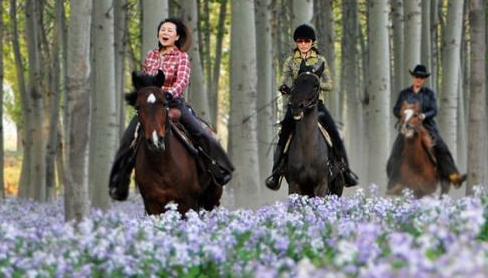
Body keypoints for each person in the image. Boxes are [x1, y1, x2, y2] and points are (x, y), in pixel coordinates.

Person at [109, 18, 234, 201]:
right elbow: (145, 83)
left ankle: (219, 168)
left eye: (170, 30)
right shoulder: (150, 56)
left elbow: (182, 80)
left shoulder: (181, 57)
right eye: (162, 29)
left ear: (176, 37)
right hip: (151, 106)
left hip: (173, 103)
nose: (165, 33)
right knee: (128, 137)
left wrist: (168, 94)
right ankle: (120, 179)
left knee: (201, 132)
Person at [265, 24, 359, 190]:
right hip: (295, 104)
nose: (303, 44)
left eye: (306, 41)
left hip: (316, 105)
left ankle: (345, 170)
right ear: (296, 42)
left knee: (334, 132)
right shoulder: (290, 61)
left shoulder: (320, 61)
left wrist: (315, 83)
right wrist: (285, 87)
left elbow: (329, 84)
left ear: (312, 42)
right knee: (284, 133)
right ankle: (276, 172)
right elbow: (283, 79)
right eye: (300, 41)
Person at [387, 64, 467, 188]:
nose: (419, 79)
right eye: (417, 76)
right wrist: (403, 115)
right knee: (396, 151)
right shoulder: (404, 94)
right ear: (413, 77)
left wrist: (424, 115)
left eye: (421, 77)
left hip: (426, 126)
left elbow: (434, 110)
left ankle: (453, 176)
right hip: (407, 125)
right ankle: (394, 182)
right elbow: (396, 109)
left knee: (441, 148)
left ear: (424, 79)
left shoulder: (429, 93)